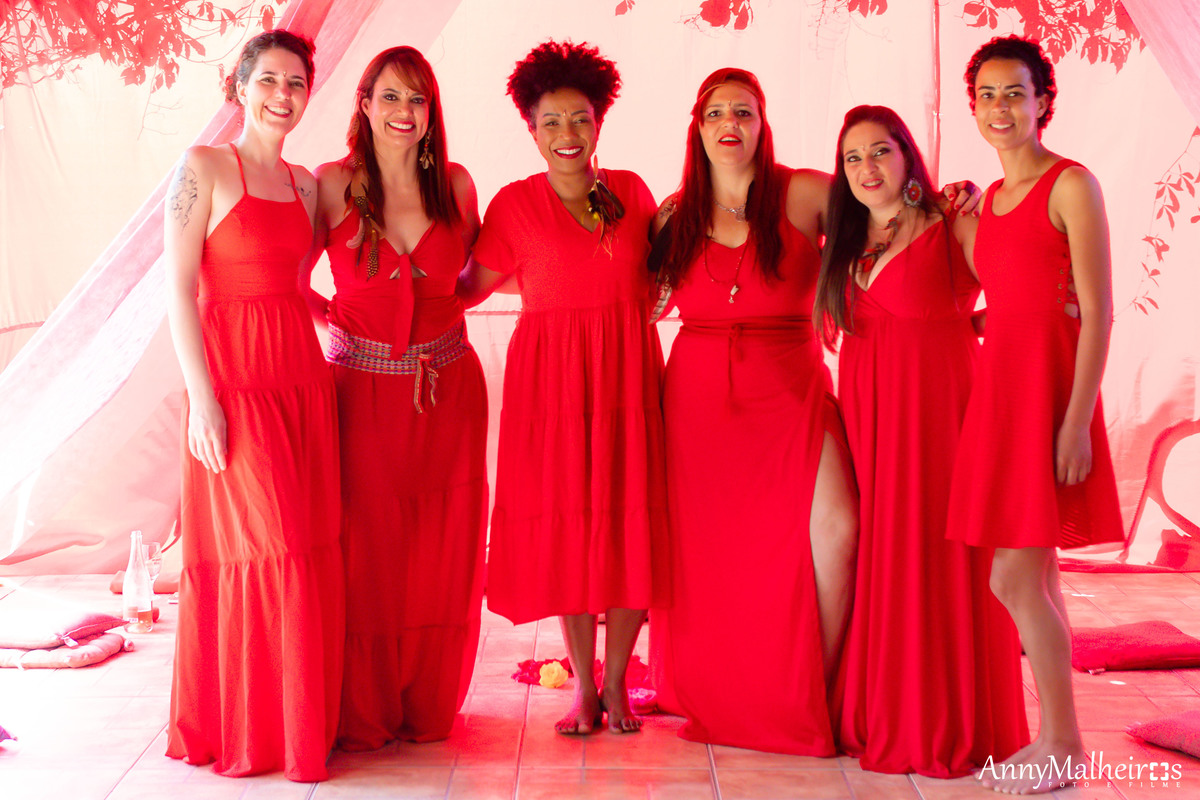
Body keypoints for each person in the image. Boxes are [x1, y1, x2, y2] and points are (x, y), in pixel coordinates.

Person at [456, 40, 666, 736]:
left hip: (628, 379)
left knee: (631, 523)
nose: (566, 134)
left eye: (579, 118)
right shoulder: (513, 205)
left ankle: (617, 683)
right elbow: (465, 289)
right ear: (531, 129)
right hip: (551, 390)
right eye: (550, 121)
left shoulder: (633, 192)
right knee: (572, 530)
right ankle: (584, 689)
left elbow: (667, 273)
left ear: (599, 122)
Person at [646, 67, 856, 756]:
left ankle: (814, 691)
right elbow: (631, 300)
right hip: (698, 402)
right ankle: (726, 689)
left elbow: (887, 210)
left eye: (743, 111)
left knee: (837, 529)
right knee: (715, 558)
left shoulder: (805, 194)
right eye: (715, 113)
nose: (728, 123)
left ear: (764, 124)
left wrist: (942, 197)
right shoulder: (673, 216)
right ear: (697, 128)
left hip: (791, 387)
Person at [814, 104, 1028, 777]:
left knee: (937, 555)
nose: (866, 168)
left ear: (907, 155)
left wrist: (976, 326)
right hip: (870, 421)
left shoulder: (951, 220)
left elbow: (1020, 293)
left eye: (880, 151)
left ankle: (942, 717)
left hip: (940, 418)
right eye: (852, 158)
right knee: (882, 550)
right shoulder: (848, 240)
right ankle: (883, 707)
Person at [163, 30, 343, 781]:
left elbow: (289, 281)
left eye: (296, 82)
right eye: (268, 79)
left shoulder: (306, 186)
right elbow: (177, 289)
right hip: (233, 384)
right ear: (239, 87)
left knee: (307, 544)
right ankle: (258, 733)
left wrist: (341, 316)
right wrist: (202, 401)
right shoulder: (204, 166)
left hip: (301, 381)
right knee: (274, 549)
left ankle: (296, 725)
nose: (283, 94)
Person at [949, 35, 1124, 794]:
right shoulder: (987, 202)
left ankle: (1063, 742)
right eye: (986, 95)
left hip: (1052, 399)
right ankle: (1057, 739)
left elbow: (1100, 310)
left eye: (1014, 93)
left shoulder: (1070, 184)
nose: (1000, 107)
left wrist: (1077, 422)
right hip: (1002, 397)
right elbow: (1010, 299)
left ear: (1043, 101)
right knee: (1037, 577)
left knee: (1012, 578)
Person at [306, 46, 487, 751]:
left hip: (447, 395)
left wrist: (434, 328)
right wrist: (344, 322)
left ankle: (427, 702)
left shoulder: (458, 186)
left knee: (440, 550)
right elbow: (289, 276)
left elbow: (469, 281)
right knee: (369, 553)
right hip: (361, 394)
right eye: (390, 96)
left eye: (417, 99)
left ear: (431, 111)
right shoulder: (331, 183)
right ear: (364, 103)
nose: (404, 112)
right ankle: (365, 706)